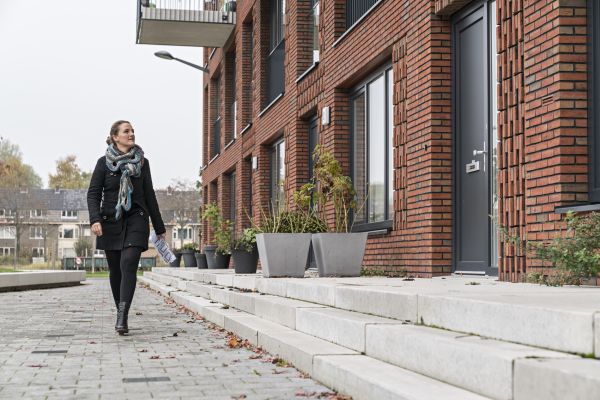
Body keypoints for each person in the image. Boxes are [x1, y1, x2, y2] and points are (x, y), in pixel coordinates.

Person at [87, 120, 166, 335]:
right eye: (126, 131)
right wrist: (95, 219)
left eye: (132, 131)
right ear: (115, 137)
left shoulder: (143, 163)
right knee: (115, 269)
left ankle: (123, 316)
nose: (131, 134)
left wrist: (159, 226)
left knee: (128, 262)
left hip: (136, 218)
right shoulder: (103, 163)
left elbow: (149, 195)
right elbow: (93, 194)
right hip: (110, 220)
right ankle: (120, 309)